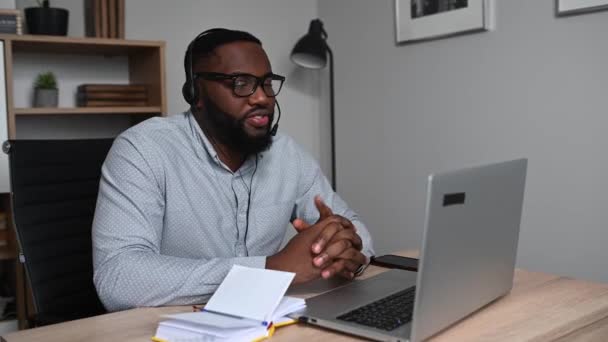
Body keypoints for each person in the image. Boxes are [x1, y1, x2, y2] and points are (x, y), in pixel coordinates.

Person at [92, 28, 375, 312]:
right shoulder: (144, 150)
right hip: (175, 328)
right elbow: (117, 277)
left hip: (267, 322)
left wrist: (341, 246)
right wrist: (270, 268)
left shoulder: (287, 154)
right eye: (241, 83)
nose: (262, 97)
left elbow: (355, 228)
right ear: (196, 92)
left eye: (266, 83)